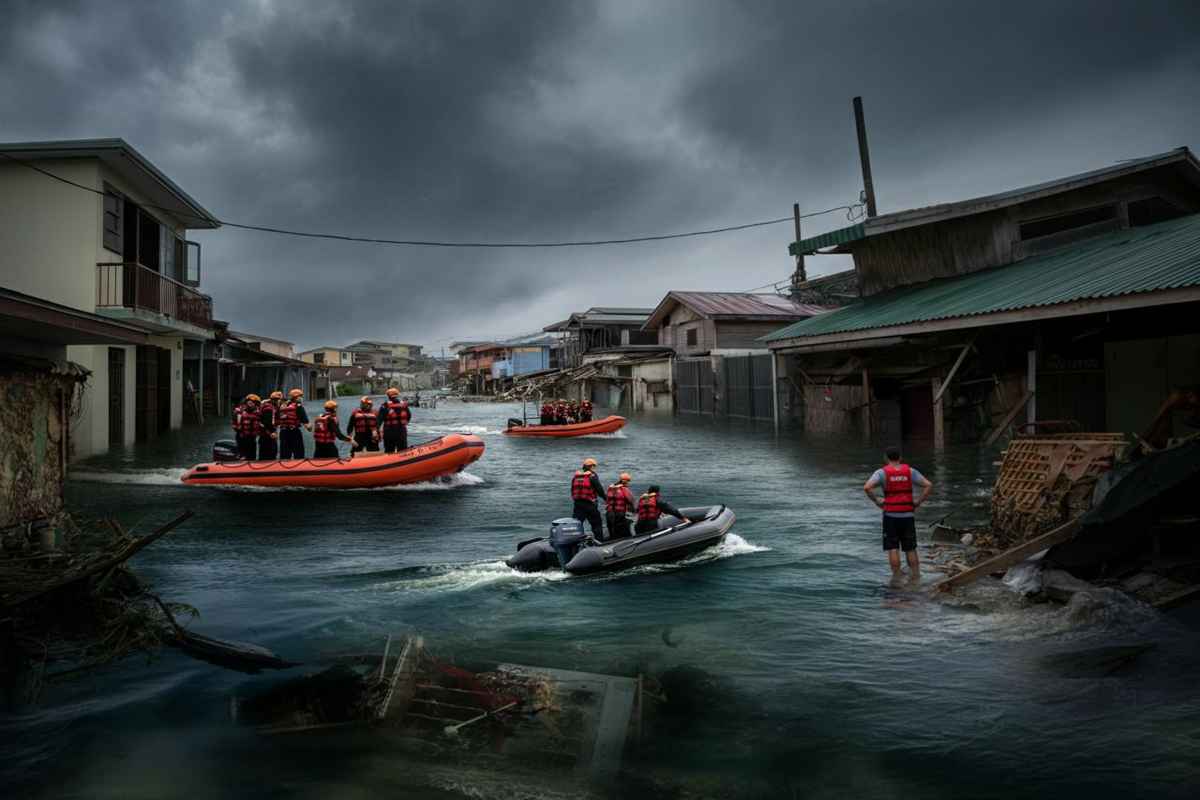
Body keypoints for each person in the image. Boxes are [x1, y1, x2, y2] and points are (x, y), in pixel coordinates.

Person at [863, 447, 934, 576]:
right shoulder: (910, 471)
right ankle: (916, 575)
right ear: (900, 458)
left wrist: (877, 501)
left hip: (890, 515)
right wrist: (918, 501)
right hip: (907, 514)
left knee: (893, 548)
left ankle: (896, 577)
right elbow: (928, 485)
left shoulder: (881, 473)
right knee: (911, 548)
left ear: (886, 458)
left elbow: (867, 487)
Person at [570, 458, 606, 539]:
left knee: (577, 525)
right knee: (596, 524)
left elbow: (572, 490)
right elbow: (599, 490)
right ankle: (599, 542)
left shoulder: (575, 477)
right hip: (590, 505)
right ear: (591, 467)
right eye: (594, 466)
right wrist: (606, 499)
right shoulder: (592, 476)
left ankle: (576, 541)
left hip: (578, 505)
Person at [277, 388, 311, 460]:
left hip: (283, 432)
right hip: (294, 432)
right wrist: (309, 427)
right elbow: (305, 422)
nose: (301, 398)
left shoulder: (282, 405)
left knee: (284, 455)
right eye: (300, 396)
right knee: (299, 453)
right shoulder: (299, 407)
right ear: (296, 397)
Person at [378, 387, 413, 453]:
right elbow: (409, 416)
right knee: (403, 450)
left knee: (389, 450)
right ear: (397, 395)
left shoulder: (384, 406)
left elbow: (379, 420)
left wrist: (377, 432)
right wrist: (403, 423)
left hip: (389, 431)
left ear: (388, 396)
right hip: (401, 430)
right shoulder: (404, 405)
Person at [605, 472, 635, 540]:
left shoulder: (610, 488)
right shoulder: (624, 489)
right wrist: (634, 510)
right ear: (626, 481)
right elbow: (630, 500)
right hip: (619, 514)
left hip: (609, 513)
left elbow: (607, 499)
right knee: (621, 531)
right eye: (628, 481)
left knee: (612, 531)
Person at [233, 394, 262, 461]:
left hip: (252, 437)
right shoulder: (239, 412)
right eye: (249, 402)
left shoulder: (258, 412)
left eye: (252, 402)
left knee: (252, 455)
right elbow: (235, 424)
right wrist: (239, 431)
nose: (250, 404)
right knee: (242, 455)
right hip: (242, 436)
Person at [257, 391, 282, 460]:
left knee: (265, 454)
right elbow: (267, 422)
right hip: (268, 435)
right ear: (274, 400)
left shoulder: (269, 406)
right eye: (278, 400)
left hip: (266, 434)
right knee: (270, 454)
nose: (279, 401)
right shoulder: (269, 408)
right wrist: (272, 432)